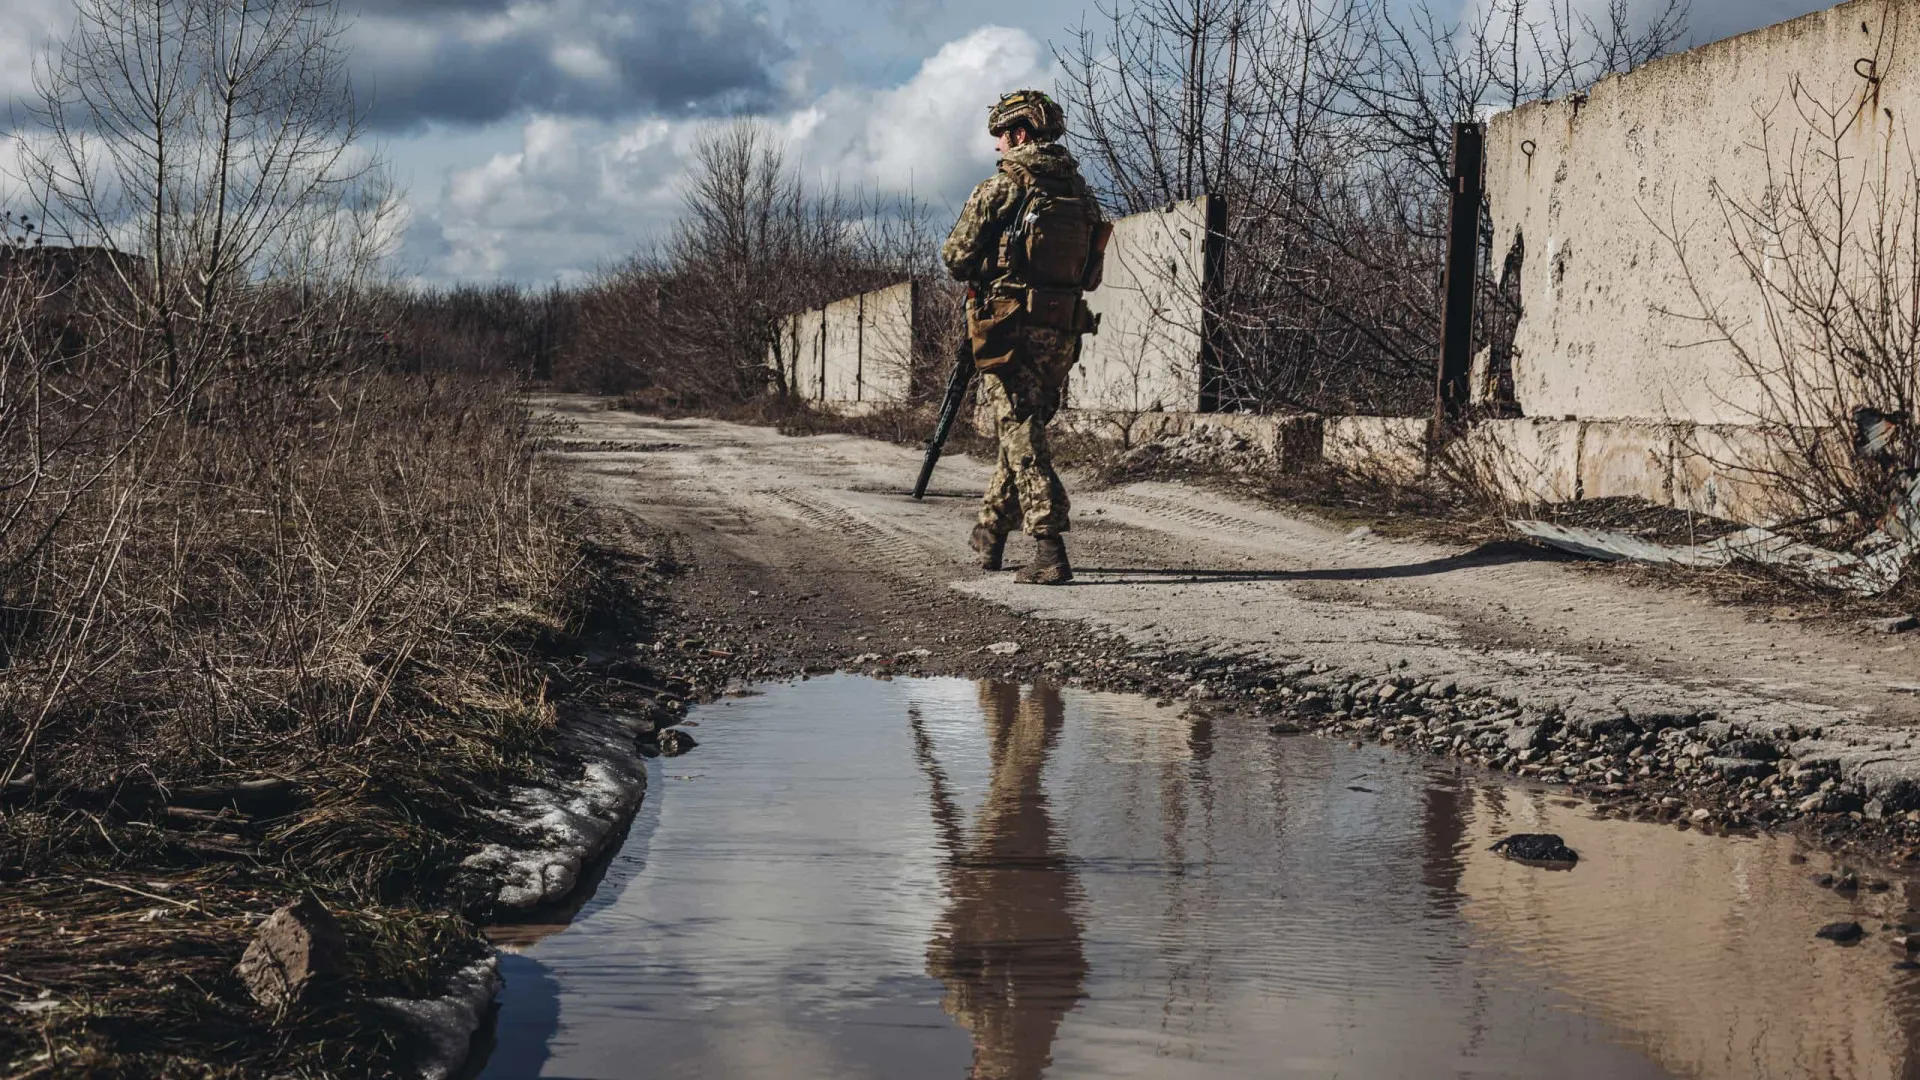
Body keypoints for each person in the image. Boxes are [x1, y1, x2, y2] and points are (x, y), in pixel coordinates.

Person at [942, 89, 1106, 586]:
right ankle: (990, 531)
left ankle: (1048, 546)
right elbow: (1091, 272)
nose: (999, 148)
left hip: (1009, 330)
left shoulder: (1003, 185)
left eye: (1001, 138)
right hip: (1062, 330)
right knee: (1022, 433)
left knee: (1021, 436)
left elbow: (955, 257)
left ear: (1017, 134)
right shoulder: (1081, 191)